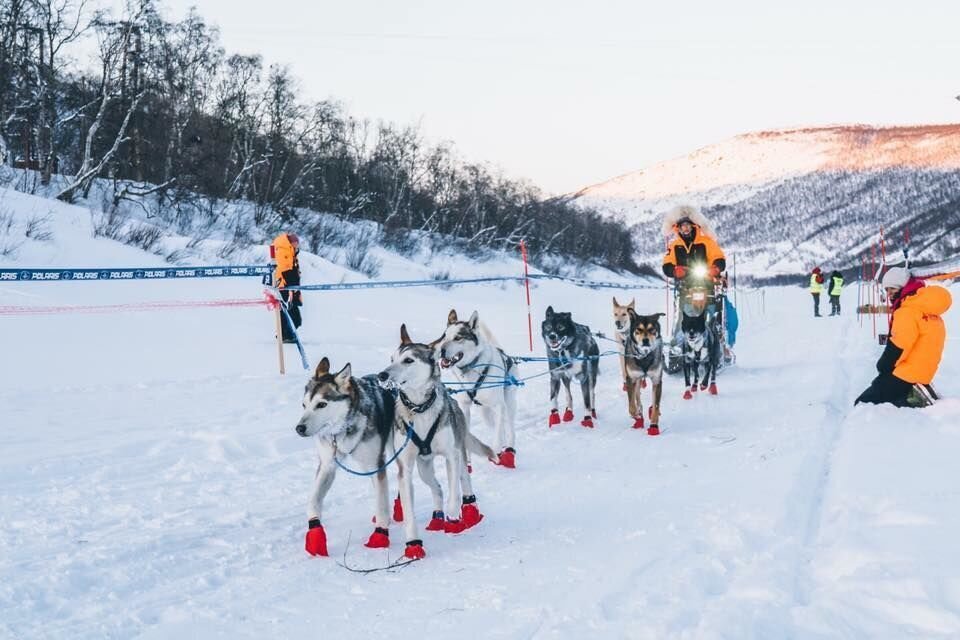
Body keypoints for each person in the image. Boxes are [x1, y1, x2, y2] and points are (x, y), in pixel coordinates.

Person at [855, 267, 952, 407]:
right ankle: (911, 395)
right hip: (925, 372)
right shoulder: (928, 310)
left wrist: (883, 366)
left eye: (892, 289)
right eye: (887, 290)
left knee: (863, 403)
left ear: (902, 287)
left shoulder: (907, 312)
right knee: (882, 386)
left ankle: (912, 399)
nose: (889, 294)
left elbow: (899, 346)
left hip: (907, 375)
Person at [272, 232, 303, 343]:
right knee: (288, 312)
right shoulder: (283, 251)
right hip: (285, 286)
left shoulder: (290, 251)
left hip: (290, 287)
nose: (297, 246)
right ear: (291, 242)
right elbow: (285, 269)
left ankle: (288, 334)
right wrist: (293, 285)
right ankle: (284, 335)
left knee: (292, 314)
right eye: (296, 243)